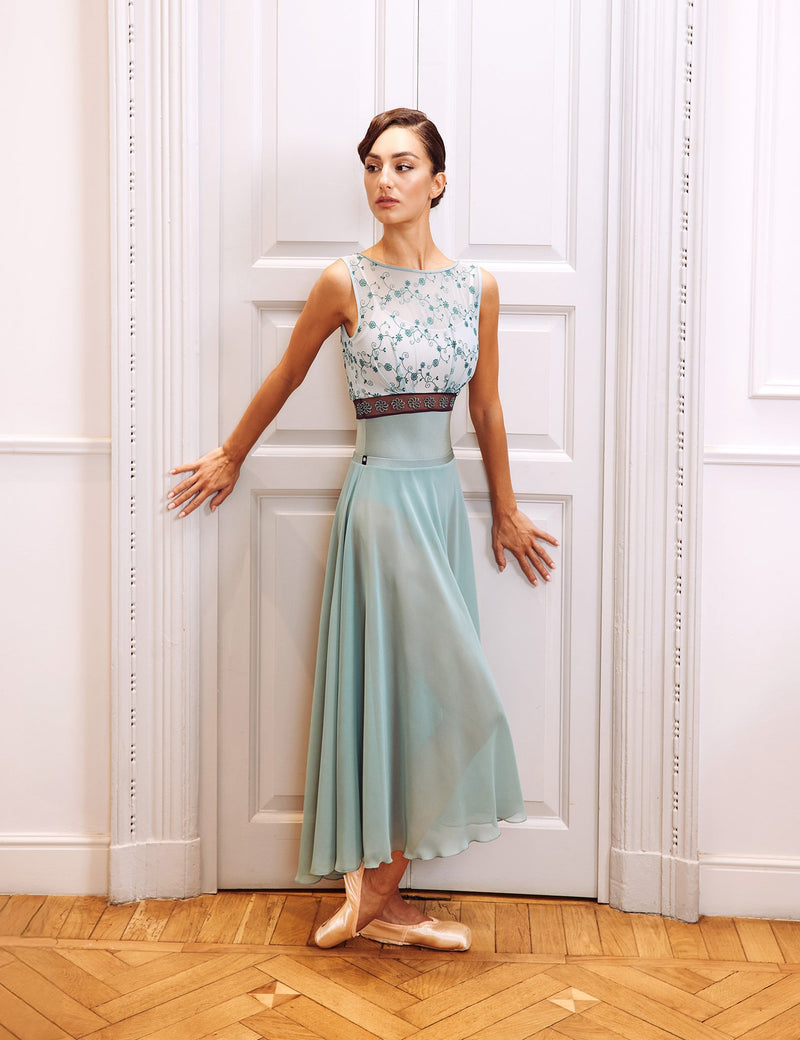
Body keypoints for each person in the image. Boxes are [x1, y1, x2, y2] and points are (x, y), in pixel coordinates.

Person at [168, 108, 559, 952]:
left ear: (438, 182)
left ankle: (380, 894)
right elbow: (286, 374)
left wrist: (506, 508)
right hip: (379, 504)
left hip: (439, 505)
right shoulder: (343, 281)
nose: (386, 180)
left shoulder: (477, 287)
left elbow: (487, 408)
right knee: (406, 689)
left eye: (405, 165)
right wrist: (230, 456)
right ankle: (381, 894)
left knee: (430, 696)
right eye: (375, 166)